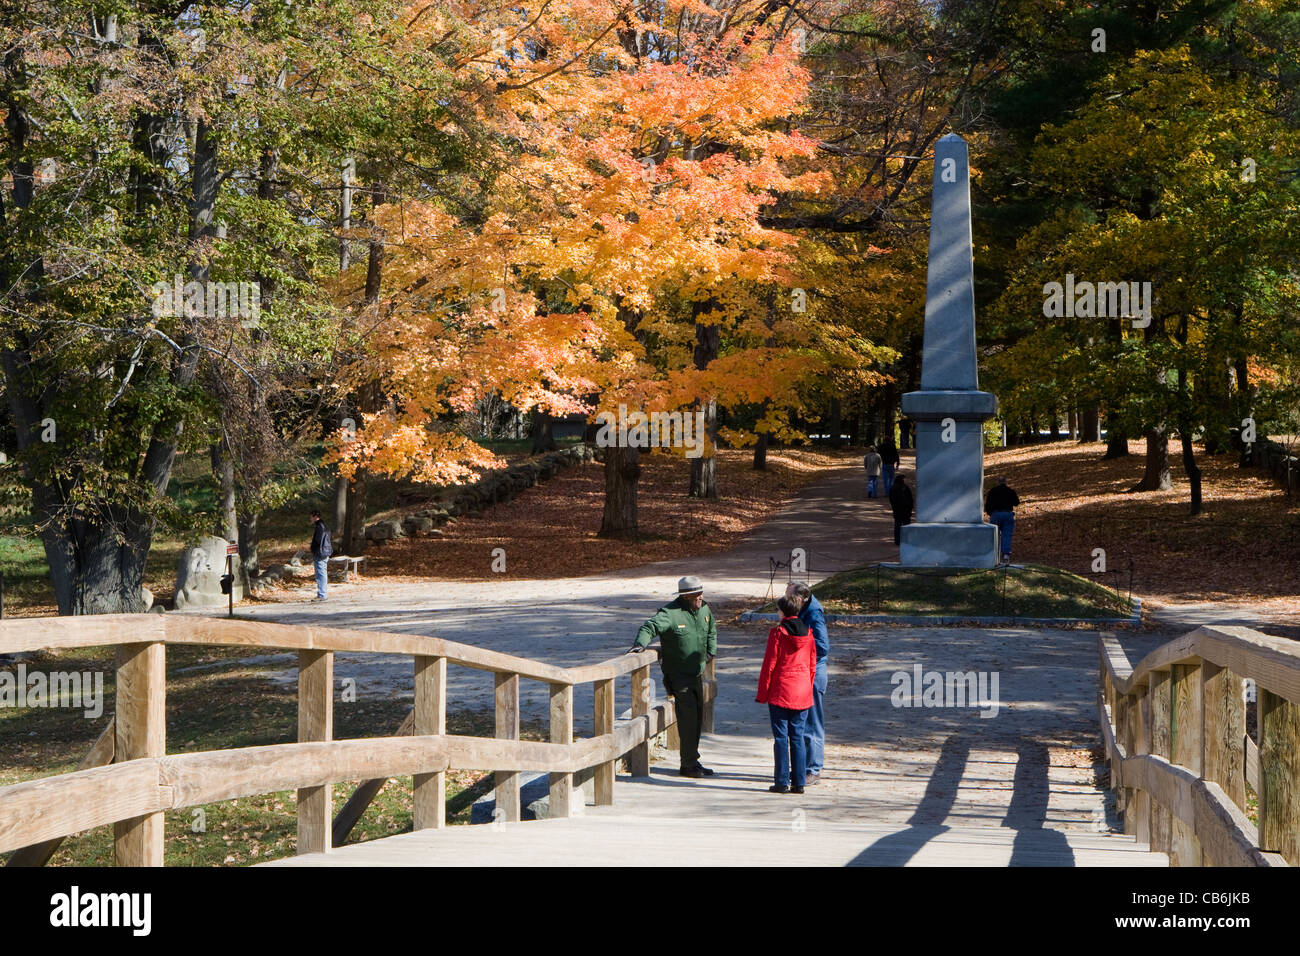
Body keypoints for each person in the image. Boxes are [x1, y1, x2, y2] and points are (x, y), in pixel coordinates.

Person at [628, 575, 718, 778]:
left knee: (697, 718)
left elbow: (712, 629)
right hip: (678, 675)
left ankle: (693, 759)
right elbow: (649, 627)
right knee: (687, 718)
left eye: (701, 593)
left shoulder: (704, 609)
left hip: (696, 672)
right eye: (697, 595)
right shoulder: (670, 613)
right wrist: (639, 645)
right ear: (686, 596)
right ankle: (687, 765)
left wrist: (711, 652)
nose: (701, 598)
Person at [756, 596, 817, 794]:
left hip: (781, 690)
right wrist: (807, 686)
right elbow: (812, 665)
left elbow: (769, 665)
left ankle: (782, 781)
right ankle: (799, 782)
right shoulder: (808, 633)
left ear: (782, 611)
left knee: (781, 738)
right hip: (801, 691)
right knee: (797, 737)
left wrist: (763, 693)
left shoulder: (778, 633)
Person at [786, 581, 828, 783]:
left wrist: (800, 654)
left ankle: (814, 769)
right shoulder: (801, 608)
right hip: (805, 670)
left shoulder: (813, 613)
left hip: (813, 671)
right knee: (803, 721)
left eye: (789, 597)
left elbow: (822, 646)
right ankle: (804, 767)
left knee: (812, 721)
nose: (787, 601)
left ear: (800, 599)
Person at [984, 475, 1022, 565]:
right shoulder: (1010, 491)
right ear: (1005, 482)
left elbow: (987, 505)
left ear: (998, 482)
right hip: (1008, 514)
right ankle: (1006, 554)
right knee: (1007, 534)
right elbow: (1016, 502)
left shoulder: (992, 491)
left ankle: (994, 554)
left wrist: (991, 513)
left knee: (995, 534)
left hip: (996, 514)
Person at [309, 509, 332, 601]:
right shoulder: (324, 526)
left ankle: (322, 594)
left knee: (320, 574)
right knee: (322, 573)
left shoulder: (319, 526)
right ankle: (322, 593)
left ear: (315, 517)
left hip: (320, 552)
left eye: (311, 517)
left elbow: (317, 540)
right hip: (325, 551)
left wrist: (312, 548)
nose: (310, 519)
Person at [889, 471, 913, 546]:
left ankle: (898, 541)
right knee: (906, 525)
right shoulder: (904, 488)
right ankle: (906, 540)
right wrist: (910, 507)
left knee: (898, 525)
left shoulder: (893, 488)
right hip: (904, 510)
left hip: (898, 510)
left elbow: (891, 500)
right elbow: (910, 499)